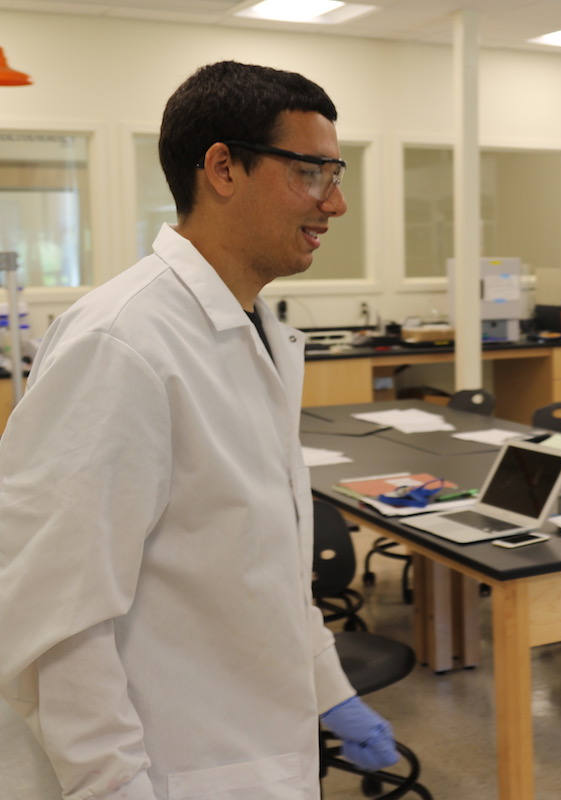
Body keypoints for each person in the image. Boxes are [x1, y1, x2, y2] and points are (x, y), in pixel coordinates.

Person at [0, 61, 398, 799]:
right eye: (313, 172)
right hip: (160, 770)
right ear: (223, 168)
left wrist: (326, 686)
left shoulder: (258, 331)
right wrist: (112, 787)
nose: (335, 203)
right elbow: (55, 620)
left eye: (335, 173)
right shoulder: (122, 342)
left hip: (247, 752)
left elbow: (261, 564)